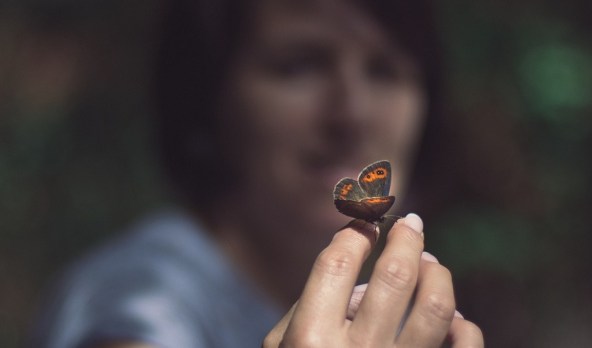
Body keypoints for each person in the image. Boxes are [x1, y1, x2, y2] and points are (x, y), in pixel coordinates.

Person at [29, 0, 483, 347]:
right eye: (299, 65)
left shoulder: (388, 313)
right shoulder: (139, 292)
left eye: (385, 71)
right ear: (210, 100)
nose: (352, 113)